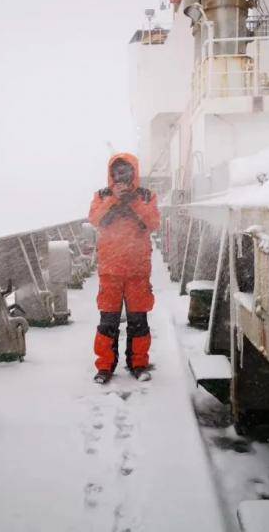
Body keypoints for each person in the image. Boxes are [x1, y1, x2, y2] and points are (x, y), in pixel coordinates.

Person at [88, 153, 160, 384]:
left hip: (138, 272)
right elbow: (95, 219)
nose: (121, 176)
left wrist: (133, 201)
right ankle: (104, 367)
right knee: (107, 322)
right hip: (110, 272)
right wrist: (114, 200)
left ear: (134, 173)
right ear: (111, 174)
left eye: (126, 171)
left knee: (139, 321)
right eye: (117, 171)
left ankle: (138, 364)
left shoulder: (146, 196)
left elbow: (153, 223)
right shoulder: (102, 196)